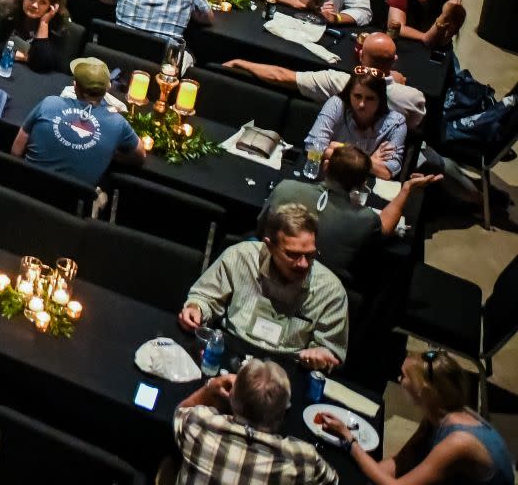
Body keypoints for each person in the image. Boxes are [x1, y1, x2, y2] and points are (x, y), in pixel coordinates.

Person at [180, 204, 350, 372]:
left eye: (310, 255)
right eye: (292, 254)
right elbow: (205, 298)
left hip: (287, 367)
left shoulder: (331, 290)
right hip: (232, 349)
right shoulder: (240, 257)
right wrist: (196, 309)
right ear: (269, 246)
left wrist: (320, 354)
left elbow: (331, 350)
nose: (303, 264)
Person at [328, 349, 516, 484]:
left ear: (423, 391)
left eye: (404, 376)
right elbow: (400, 462)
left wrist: (351, 444)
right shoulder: (437, 413)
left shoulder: (458, 442)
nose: (399, 380)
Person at [262, 145, 433, 284]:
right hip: (321, 285)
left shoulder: (285, 188)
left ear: (326, 166)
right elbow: (387, 227)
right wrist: (406, 189)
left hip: (269, 270)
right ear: (363, 183)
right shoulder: (366, 219)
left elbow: (260, 229)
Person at [228, 31, 432, 137]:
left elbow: (282, 76)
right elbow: (414, 128)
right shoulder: (413, 97)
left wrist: (241, 62)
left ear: (360, 55)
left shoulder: (338, 82)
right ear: (394, 60)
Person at [172, 359, 336, 485]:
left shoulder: (199, 423)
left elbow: (180, 411)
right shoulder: (302, 458)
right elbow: (332, 480)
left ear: (232, 398)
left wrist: (211, 386)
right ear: (283, 413)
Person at [12, 56, 142, 186]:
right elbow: (140, 156)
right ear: (107, 89)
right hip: (72, 205)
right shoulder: (117, 123)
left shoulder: (48, 103)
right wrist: (113, 154)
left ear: (75, 86)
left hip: (26, 193)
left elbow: (16, 151)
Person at [307, 69, 408, 179]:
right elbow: (313, 147)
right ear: (349, 94)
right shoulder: (336, 104)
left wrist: (336, 148)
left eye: (370, 98)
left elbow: (387, 172)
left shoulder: (396, 123)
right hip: (329, 177)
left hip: (362, 185)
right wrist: (369, 160)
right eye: (357, 96)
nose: (362, 104)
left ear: (381, 100)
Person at [0, 0, 86, 75]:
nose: (34, 5)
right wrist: (21, 56)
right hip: (3, 69)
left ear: (51, 7)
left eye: (43, 2)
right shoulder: (7, 8)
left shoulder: (59, 24)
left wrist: (44, 23)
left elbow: (42, 65)